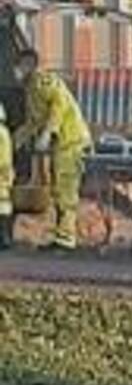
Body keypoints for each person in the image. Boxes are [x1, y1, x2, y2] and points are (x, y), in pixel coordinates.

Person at [12, 48, 91, 251]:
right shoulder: (31, 88)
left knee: (66, 191)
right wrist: (15, 141)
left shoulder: (43, 81)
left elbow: (59, 104)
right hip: (61, 145)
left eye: (19, 65)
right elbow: (32, 122)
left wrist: (48, 132)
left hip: (70, 141)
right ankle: (61, 236)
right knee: (58, 190)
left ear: (29, 64)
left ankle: (66, 240)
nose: (15, 70)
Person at [0, 103, 14, 250]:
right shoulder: (4, 132)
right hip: (4, 172)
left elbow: (3, 157)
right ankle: (4, 237)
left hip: (1, 172)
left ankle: (4, 238)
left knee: (2, 204)